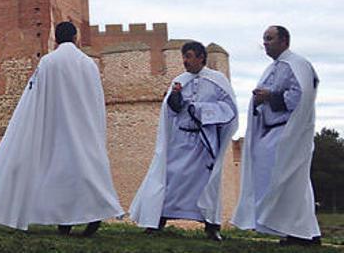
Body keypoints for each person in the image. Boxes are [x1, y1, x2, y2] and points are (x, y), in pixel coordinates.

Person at [0, 21, 123, 235]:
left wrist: (28, 123)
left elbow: (35, 95)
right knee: (88, 171)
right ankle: (91, 215)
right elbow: (96, 99)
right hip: (85, 127)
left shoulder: (49, 62)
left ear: (55, 40)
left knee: (60, 174)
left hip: (57, 127)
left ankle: (66, 222)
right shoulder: (88, 64)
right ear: (76, 38)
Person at [129, 41, 237, 241]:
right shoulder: (180, 81)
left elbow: (229, 109)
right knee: (171, 178)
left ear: (201, 57)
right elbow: (172, 109)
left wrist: (202, 110)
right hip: (181, 140)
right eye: (184, 57)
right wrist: (175, 97)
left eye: (188, 56)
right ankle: (158, 221)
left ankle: (211, 226)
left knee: (207, 184)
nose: (185, 61)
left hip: (204, 142)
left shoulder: (218, 81)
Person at [232, 26, 321, 246]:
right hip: (271, 131)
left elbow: (300, 97)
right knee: (291, 182)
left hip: (288, 132)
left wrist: (270, 96)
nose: (265, 43)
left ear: (284, 41)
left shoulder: (297, 65)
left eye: (270, 38)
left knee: (290, 181)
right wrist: (259, 100)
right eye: (264, 39)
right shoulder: (272, 68)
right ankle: (303, 232)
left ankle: (301, 233)